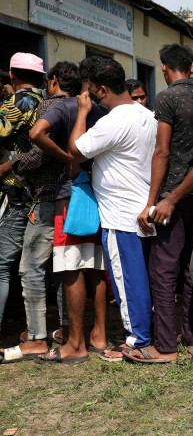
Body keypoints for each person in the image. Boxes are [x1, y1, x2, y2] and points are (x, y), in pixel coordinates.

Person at [60, 57, 157, 363]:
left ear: (101, 90)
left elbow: (76, 149)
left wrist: (82, 112)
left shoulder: (113, 121)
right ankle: (144, 334)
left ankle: (137, 340)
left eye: (91, 90)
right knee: (141, 278)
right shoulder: (147, 115)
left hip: (121, 214)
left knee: (127, 281)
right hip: (143, 208)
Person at [22, 59, 110, 361]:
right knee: (96, 267)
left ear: (56, 81)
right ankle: (99, 335)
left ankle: (75, 344)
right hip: (97, 193)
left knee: (71, 267)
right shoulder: (102, 109)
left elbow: (36, 134)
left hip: (69, 195)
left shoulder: (62, 107)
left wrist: (66, 159)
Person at [135, 44, 193, 362]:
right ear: (192, 69)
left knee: (163, 269)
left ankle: (165, 344)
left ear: (165, 68)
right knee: (191, 269)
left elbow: (162, 151)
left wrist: (152, 202)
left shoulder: (166, 97)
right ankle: (192, 335)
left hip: (174, 195)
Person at [0, 53, 46, 363]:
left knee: (2, 265)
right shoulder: (46, 101)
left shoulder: (15, 103)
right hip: (38, 194)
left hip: (15, 192)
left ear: (13, 76)